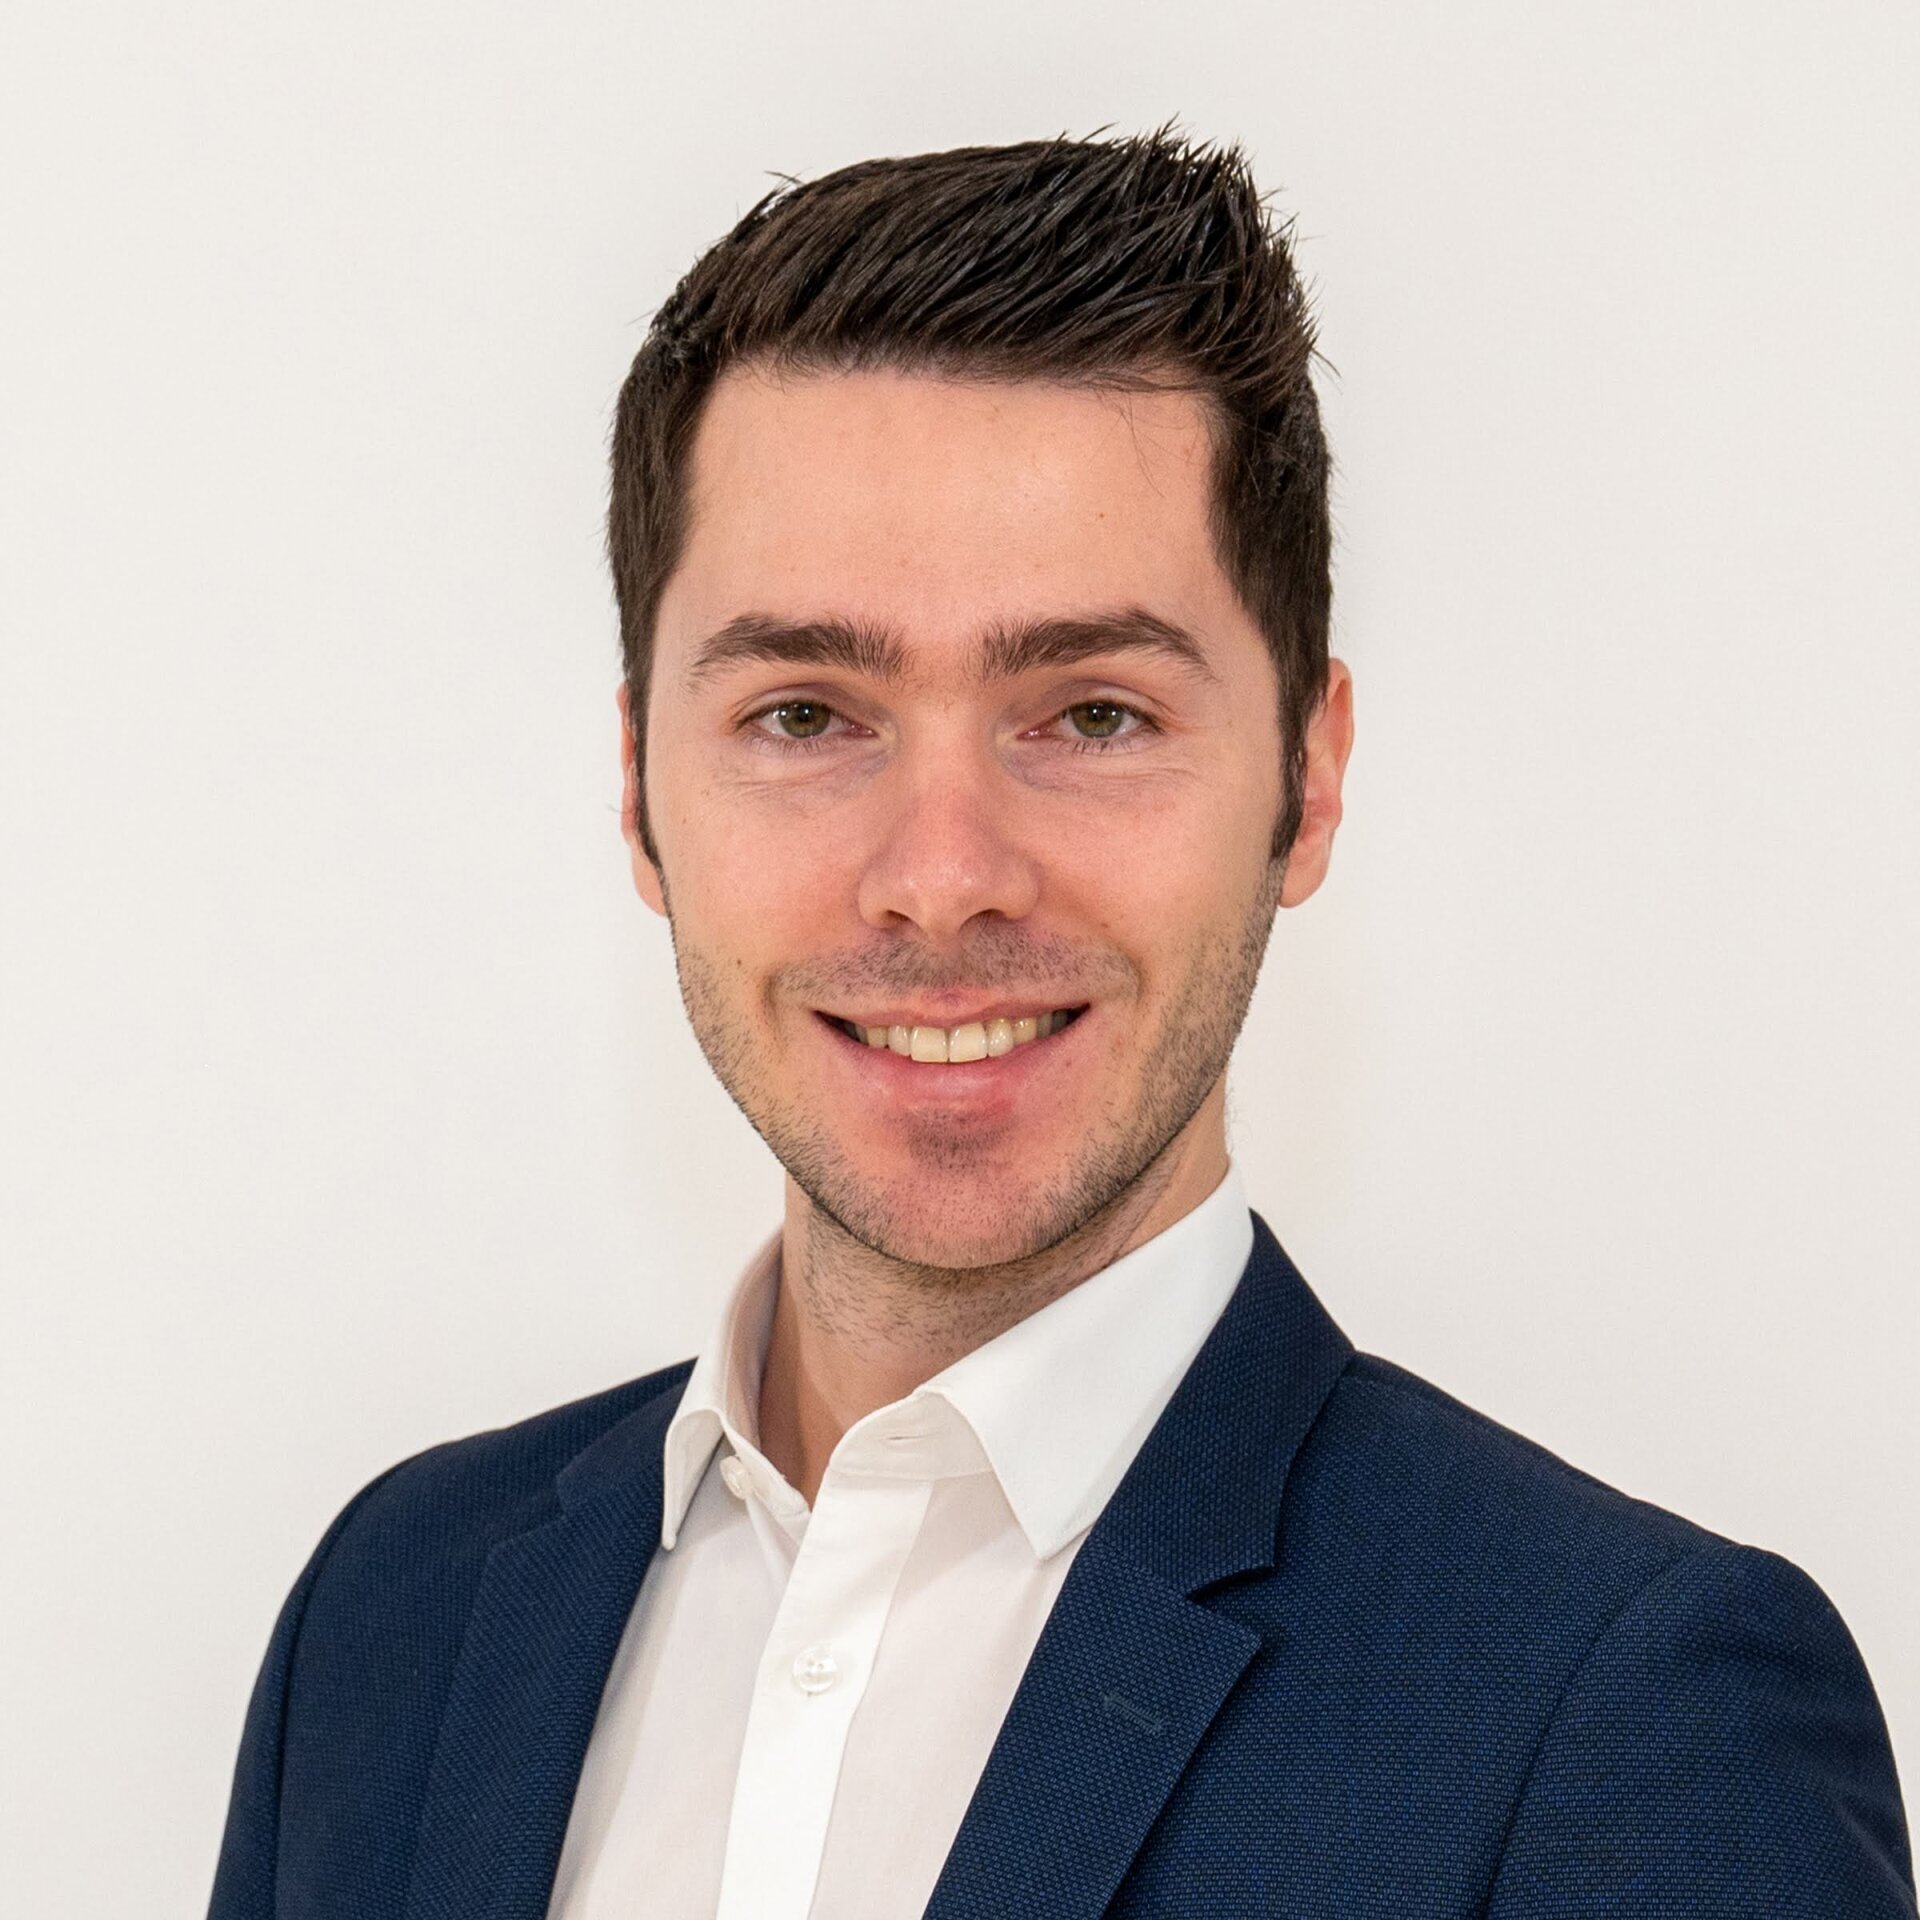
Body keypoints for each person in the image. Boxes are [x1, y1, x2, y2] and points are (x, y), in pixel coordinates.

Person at [207, 130, 1915, 1919]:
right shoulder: (390, 1621)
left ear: (1309, 779)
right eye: (806, 716)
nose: (942, 879)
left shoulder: (1632, 1721)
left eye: (1094, 715)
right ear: (641, 790)